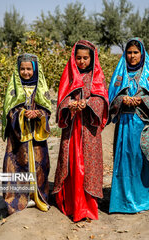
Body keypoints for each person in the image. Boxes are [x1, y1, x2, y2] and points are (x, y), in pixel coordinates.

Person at [53, 40, 109, 222]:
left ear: (92, 59)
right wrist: (69, 105)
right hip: (72, 129)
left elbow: (102, 100)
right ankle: (71, 204)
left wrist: (89, 103)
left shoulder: (96, 76)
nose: (82, 61)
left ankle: (87, 207)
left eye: (86, 58)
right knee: (72, 165)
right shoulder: (68, 75)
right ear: (73, 58)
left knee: (88, 165)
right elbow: (61, 99)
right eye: (79, 58)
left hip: (89, 129)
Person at [108, 38, 149, 213]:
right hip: (124, 125)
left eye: (135, 52)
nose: (132, 56)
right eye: (129, 52)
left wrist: (141, 100)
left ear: (142, 54)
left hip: (142, 125)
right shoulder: (120, 75)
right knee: (125, 161)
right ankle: (122, 201)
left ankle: (144, 199)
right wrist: (122, 99)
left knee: (141, 161)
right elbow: (111, 99)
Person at [2, 53, 51, 215]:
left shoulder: (40, 87)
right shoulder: (13, 88)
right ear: (18, 70)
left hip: (36, 134)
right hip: (18, 136)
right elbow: (8, 109)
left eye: (29, 69)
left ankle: (37, 196)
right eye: (22, 69)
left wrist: (38, 114)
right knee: (17, 163)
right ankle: (17, 198)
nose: (26, 72)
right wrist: (22, 114)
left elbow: (47, 109)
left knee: (40, 164)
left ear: (35, 69)